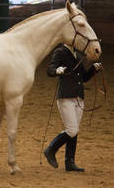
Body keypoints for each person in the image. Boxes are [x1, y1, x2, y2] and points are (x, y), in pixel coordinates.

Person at [44, 44, 102, 172]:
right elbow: (50, 70)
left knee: (74, 130)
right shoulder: (60, 51)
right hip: (66, 96)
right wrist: (57, 70)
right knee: (72, 129)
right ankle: (51, 149)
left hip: (79, 97)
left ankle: (70, 162)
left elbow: (84, 78)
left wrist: (93, 69)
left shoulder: (78, 54)